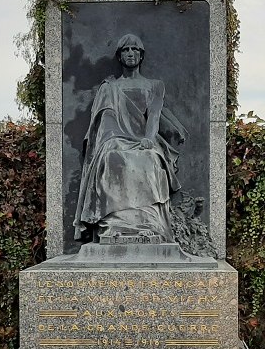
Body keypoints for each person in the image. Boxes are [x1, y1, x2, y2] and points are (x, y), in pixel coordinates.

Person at [73, 33, 188, 244]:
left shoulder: (155, 85)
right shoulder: (109, 89)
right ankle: (114, 223)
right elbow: (106, 123)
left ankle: (149, 223)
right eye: (125, 50)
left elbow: (154, 116)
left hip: (144, 139)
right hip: (115, 138)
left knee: (151, 159)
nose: (130, 53)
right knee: (109, 157)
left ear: (141, 55)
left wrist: (148, 139)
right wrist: (111, 141)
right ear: (119, 56)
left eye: (135, 49)